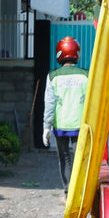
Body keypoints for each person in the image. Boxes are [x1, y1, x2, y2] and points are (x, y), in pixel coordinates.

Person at [42, 35, 88, 186]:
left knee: (65, 159)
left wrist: (46, 127)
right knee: (79, 159)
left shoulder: (53, 76)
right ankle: (79, 193)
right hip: (80, 125)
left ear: (59, 53)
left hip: (60, 124)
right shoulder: (86, 75)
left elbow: (49, 103)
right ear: (77, 53)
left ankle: (68, 192)